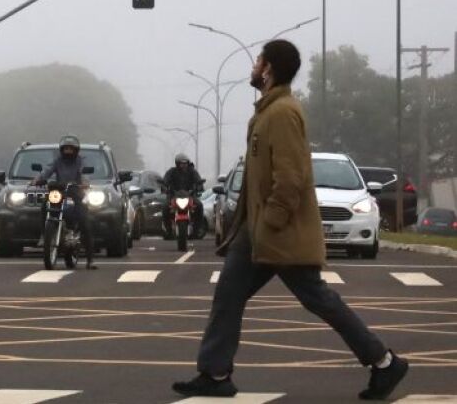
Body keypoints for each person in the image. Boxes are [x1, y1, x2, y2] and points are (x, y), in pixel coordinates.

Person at [171, 39, 408, 400]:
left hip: (278, 230)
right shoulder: (267, 111)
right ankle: (216, 373)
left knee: (318, 298)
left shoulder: (282, 113)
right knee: (228, 295)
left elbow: (291, 175)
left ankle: (384, 362)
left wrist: (272, 221)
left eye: (257, 61)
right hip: (259, 230)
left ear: (267, 69)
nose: (252, 66)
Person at [31, 135, 97, 270]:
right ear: (61, 150)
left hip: (75, 192)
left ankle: (90, 260)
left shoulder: (80, 162)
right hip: (59, 191)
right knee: (45, 204)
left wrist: (84, 183)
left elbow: (84, 174)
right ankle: (44, 236)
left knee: (84, 220)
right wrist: (38, 179)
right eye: (65, 149)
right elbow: (46, 171)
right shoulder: (57, 161)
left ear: (76, 150)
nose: (68, 151)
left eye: (70, 149)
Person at [161, 153, 205, 239]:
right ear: (177, 163)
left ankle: (196, 231)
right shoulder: (172, 172)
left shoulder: (192, 171)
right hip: (174, 196)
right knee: (165, 207)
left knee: (199, 206)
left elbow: (198, 181)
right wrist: (164, 187)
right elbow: (165, 181)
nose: (184, 165)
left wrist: (199, 186)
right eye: (182, 163)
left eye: (185, 163)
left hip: (190, 196)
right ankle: (168, 231)